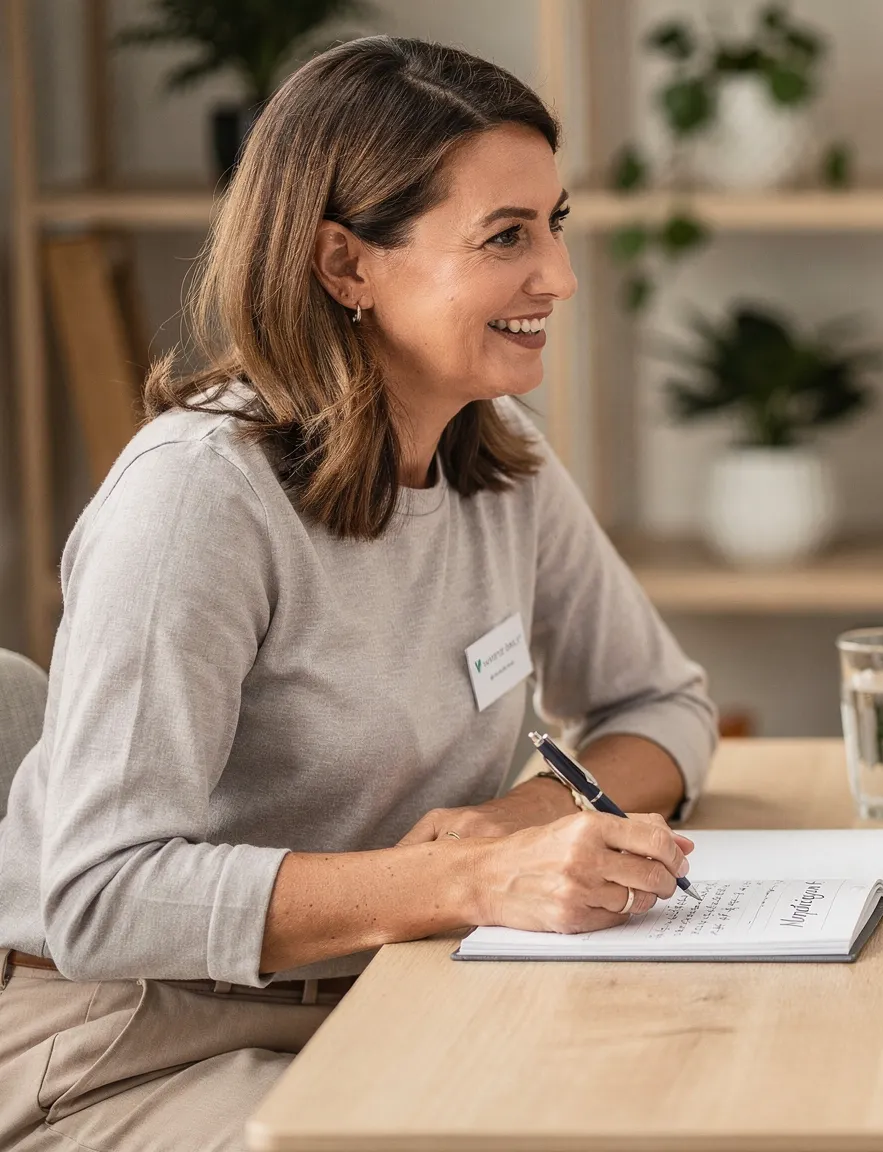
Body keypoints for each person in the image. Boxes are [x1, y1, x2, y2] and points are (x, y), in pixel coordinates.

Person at [0, 37, 717, 1151]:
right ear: (345, 265)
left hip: (389, 994)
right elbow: (101, 896)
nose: (560, 278)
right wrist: (463, 881)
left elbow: (662, 706)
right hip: (133, 1042)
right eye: (505, 238)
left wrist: (523, 816)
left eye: (554, 224)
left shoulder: (499, 458)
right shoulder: (196, 502)